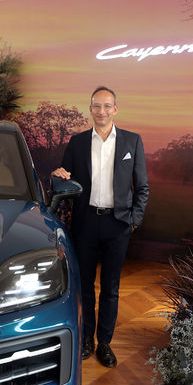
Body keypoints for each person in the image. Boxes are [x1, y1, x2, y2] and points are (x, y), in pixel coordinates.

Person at [51, 86, 149, 368]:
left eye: (107, 106)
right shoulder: (78, 142)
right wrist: (57, 175)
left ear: (115, 109)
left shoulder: (132, 141)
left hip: (118, 225)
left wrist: (133, 221)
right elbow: (65, 180)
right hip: (86, 223)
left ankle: (105, 342)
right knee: (84, 286)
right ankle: (86, 340)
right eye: (97, 106)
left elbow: (142, 187)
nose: (102, 111)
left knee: (111, 287)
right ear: (91, 109)